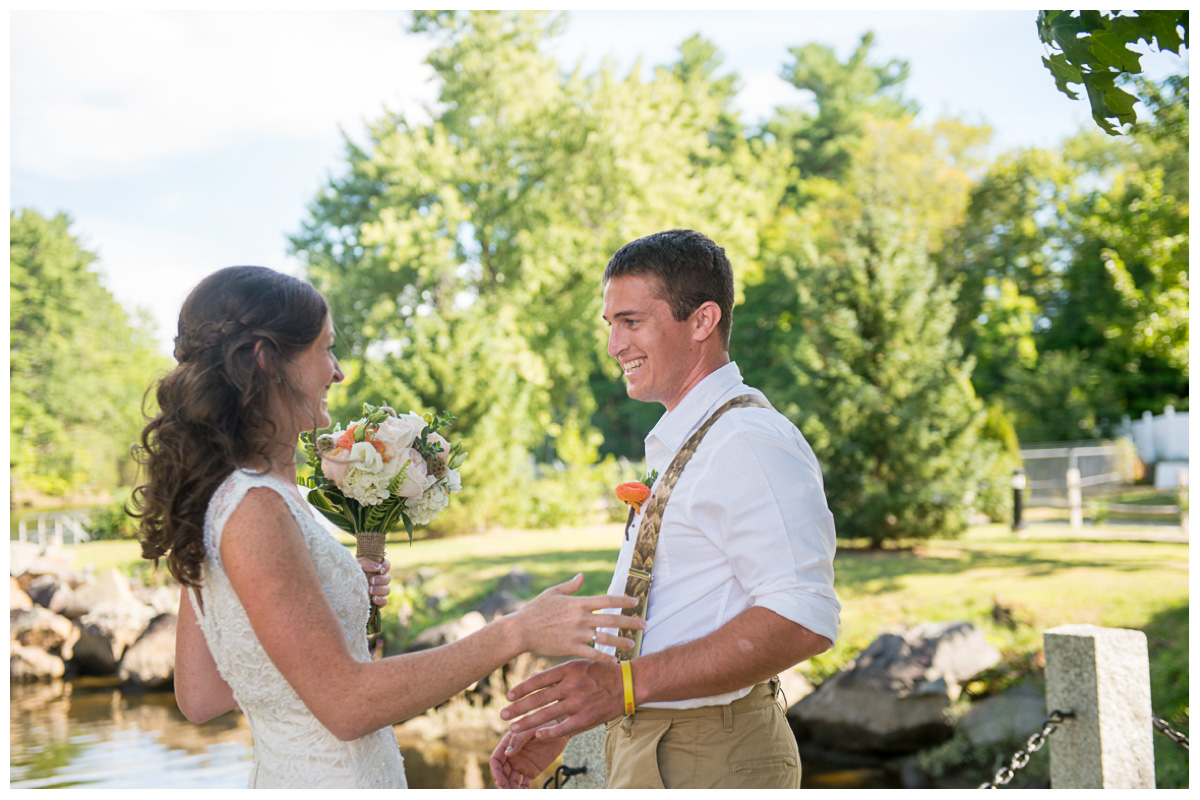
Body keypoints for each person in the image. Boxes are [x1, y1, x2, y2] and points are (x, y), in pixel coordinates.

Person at [131, 265, 642, 789]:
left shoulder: (223, 498)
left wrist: (328, 603)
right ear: (267, 361)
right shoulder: (257, 506)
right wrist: (516, 631)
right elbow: (349, 705)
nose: (338, 372)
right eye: (325, 349)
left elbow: (202, 696)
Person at [489, 230, 841, 789]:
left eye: (631, 321)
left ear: (702, 321)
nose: (613, 345)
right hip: (659, 741)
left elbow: (803, 620)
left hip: (712, 752)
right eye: (610, 325)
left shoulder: (748, 442)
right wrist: (577, 716)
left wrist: (624, 688)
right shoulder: (693, 437)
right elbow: (679, 608)